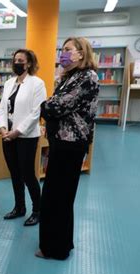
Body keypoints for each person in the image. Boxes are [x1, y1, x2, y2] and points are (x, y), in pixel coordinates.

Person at [36, 37, 99, 260]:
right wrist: (48, 106)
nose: (62, 53)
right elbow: (55, 104)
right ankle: (60, 243)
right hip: (62, 142)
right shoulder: (70, 77)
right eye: (61, 49)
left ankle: (56, 249)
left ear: (81, 53)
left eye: (68, 49)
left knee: (58, 196)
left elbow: (57, 105)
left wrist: (44, 106)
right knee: (57, 195)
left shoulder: (87, 77)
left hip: (71, 144)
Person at [0, 49, 46, 226]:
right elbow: (2, 108)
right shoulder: (9, 83)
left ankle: (37, 210)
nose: (17, 63)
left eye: (21, 60)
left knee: (27, 174)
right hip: (7, 135)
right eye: (15, 60)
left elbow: (36, 112)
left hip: (26, 136)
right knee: (15, 173)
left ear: (29, 64)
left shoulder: (37, 83)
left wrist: (17, 132)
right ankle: (19, 207)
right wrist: (3, 129)